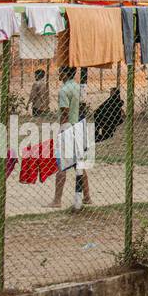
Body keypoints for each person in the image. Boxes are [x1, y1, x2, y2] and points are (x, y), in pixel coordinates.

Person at [51, 66, 92, 208]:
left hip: (68, 127)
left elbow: (64, 113)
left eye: (60, 71)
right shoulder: (77, 87)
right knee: (79, 164)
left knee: (62, 166)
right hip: (78, 126)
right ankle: (87, 197)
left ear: (66, 73)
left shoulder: (63, 90)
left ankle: (57, 200)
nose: (58, 73)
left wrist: (61, 130)